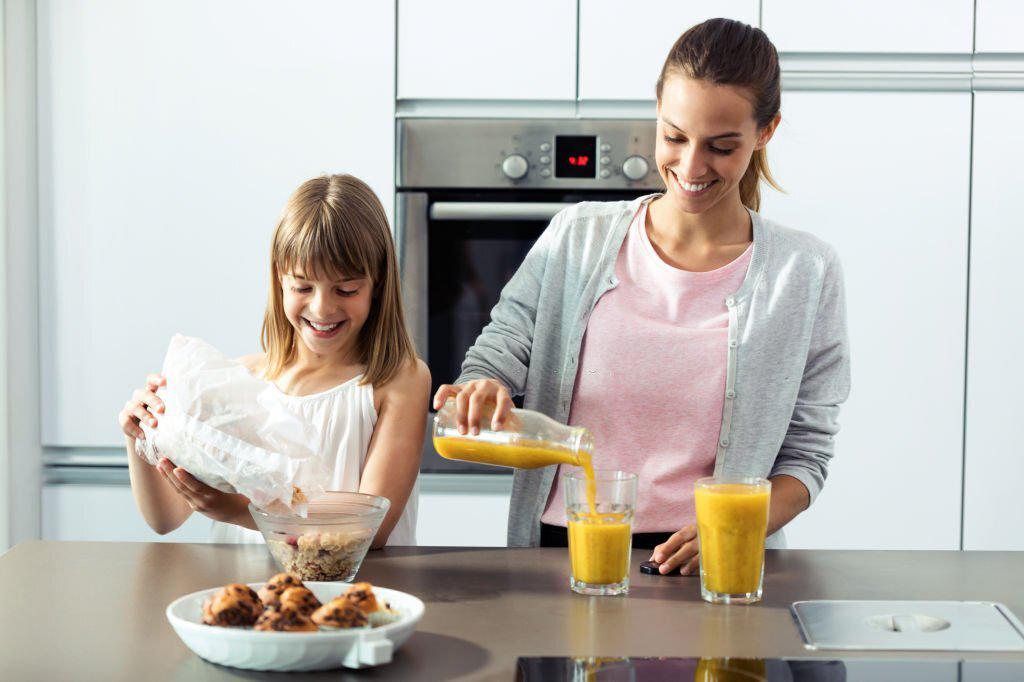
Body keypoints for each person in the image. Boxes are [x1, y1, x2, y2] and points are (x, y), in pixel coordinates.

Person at [433, 18, 850, 573]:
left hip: (713, 563)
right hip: (564, 552)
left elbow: (807, 455)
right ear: (657, 111)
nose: (691, 167)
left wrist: (737, 524)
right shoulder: (576, 237)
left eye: (721, 147)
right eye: (674, 137)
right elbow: (500, 352)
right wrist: (483, 387)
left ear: (765, 132)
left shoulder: (805, 272)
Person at [118, 174, 430, 547]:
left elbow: (369, 530)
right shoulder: (242, 379)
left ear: (377, 283)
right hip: (241, 582)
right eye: (302, 287)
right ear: (279, 279)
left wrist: (241, 511)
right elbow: (166, 518)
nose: (322, 307)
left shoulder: (398, 380)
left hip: (353, 586)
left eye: (346, 289)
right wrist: (141, 436)